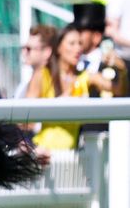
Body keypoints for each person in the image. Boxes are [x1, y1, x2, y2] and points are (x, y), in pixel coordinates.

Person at [25, 25, 113, 153]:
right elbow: (24, 120)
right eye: (72, 43)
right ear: (59, 47)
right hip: (44, 156)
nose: (78, 48)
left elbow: (116, 89)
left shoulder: (84, 77)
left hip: (73, 160)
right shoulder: (43, 75)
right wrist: (60, 102)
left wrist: (118, 66)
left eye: (80, 43)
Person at [15, 24, 58, 99]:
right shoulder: (51, 76)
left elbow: (27, 108)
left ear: (47, 52)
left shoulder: (39, 75)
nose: (24, 52)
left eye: (29, 49)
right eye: (24, 48)